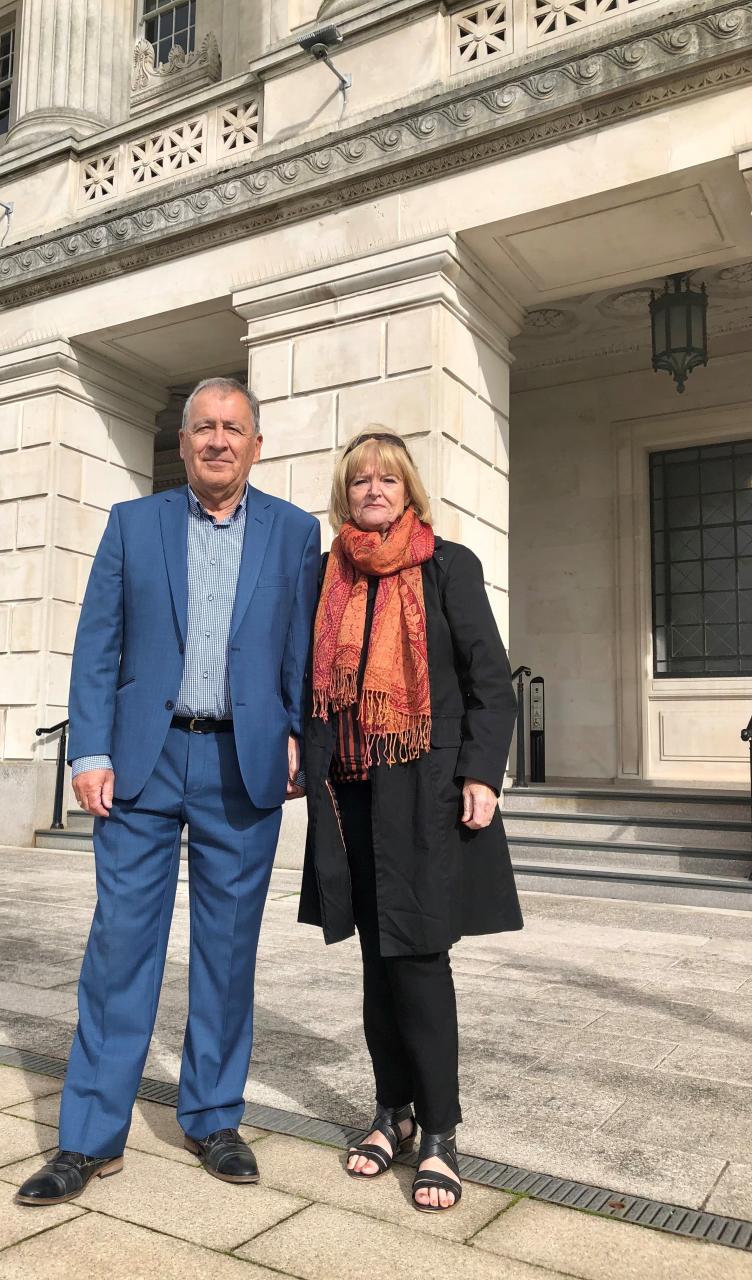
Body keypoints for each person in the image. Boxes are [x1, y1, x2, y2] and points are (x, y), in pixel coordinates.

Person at [17, 377, 320, 1204]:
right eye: (203, 429)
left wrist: (296, 732)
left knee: (227, 953)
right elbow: (96, 646)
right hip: (142, 765)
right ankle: (87, 1138)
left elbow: (300, 649)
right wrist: (89, 751)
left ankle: (214, 1117)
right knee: (119, 950)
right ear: (182, 443)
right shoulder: (133, 523)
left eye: (234, 429)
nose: (218, 441)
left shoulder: (296, 533)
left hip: (240, 765)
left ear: (258, 445)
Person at [298, 427, 521, 1212]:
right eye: (360, 480)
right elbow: (307, 677)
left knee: (420, 958)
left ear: (409, 490)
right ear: (346, 493)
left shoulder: (448, 567)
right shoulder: (324, 575)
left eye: (387, 479)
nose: (373, 490)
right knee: (373, 960)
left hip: (425, 791)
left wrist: (481, 775)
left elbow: (491, 682)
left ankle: (440, 1133)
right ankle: (389, 1112)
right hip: (349, 792)